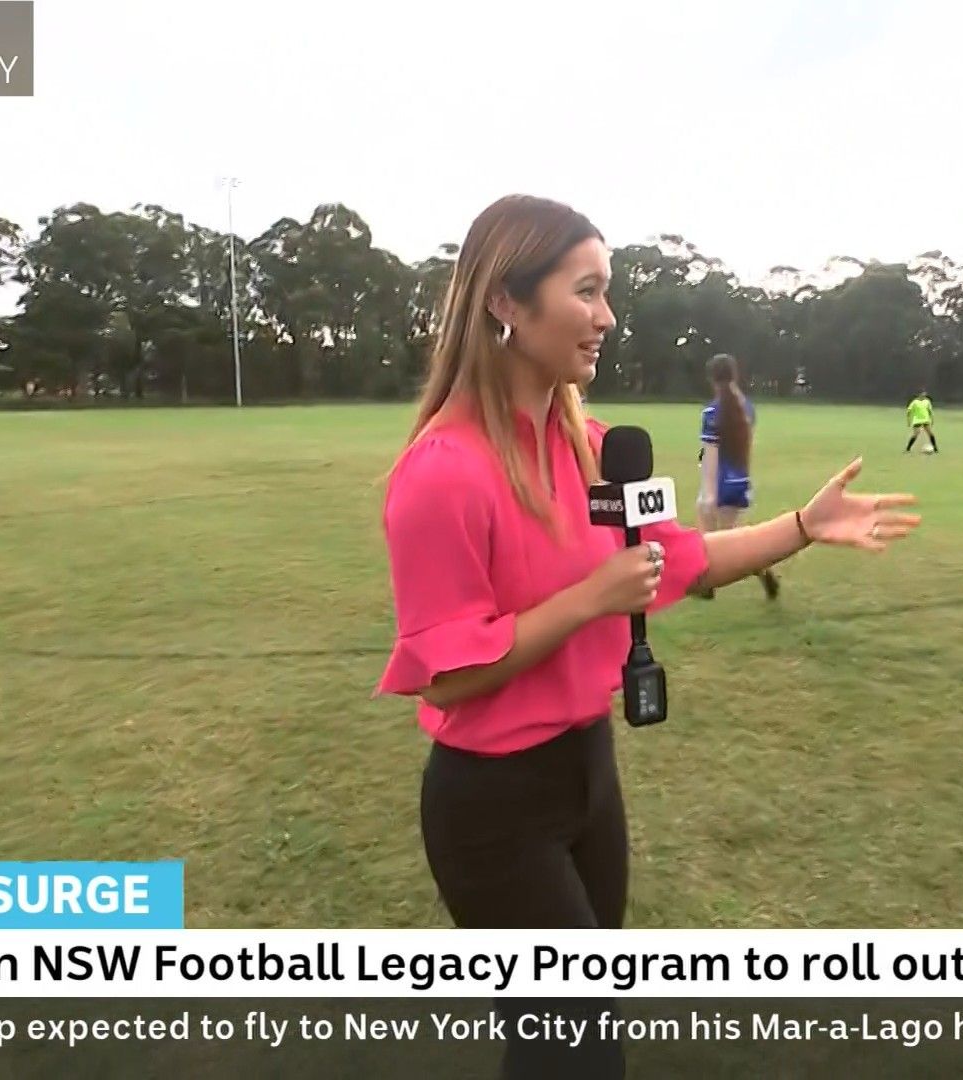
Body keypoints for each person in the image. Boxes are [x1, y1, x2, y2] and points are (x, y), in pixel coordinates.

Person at [375, 194, 921, 1079]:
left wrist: (802, 526)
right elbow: (448, 676)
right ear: (507, 302)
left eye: (609, 291)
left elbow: (684, 560)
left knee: (579, 1044)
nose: (608, 317)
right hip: (492, 807)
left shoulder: (594, 447)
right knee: (574, 1047)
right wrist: (588, 600)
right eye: (586, 291)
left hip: (588, 777)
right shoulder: (443, 472)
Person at [694, 353, 779, 600]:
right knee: (732, 536)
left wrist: (709, 495)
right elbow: (745, 449)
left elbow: (711, 456)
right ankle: (762, 571)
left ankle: (708, 584)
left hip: (720, 482)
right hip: (739, 481)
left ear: (711, 378)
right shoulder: (747, 408)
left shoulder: (712, 412)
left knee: (710, 536)